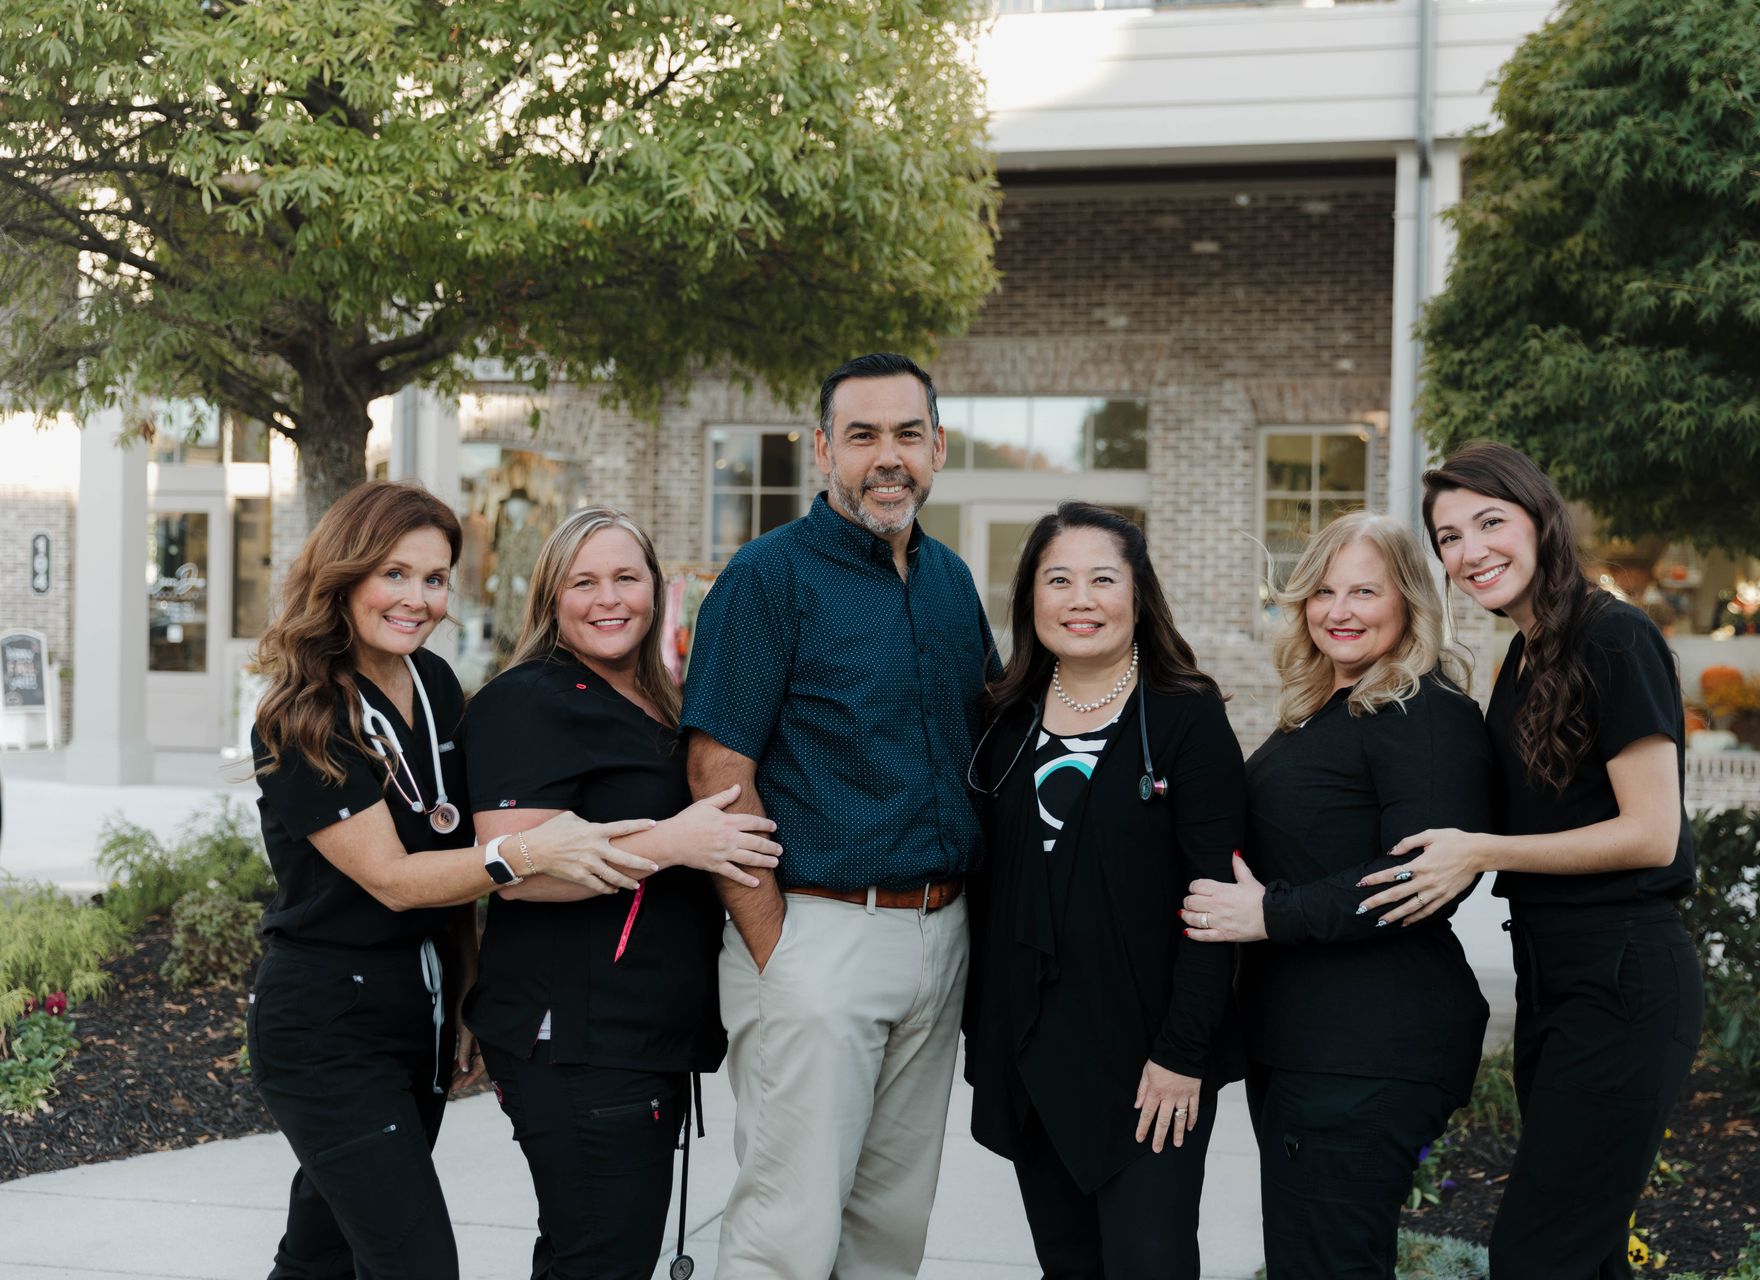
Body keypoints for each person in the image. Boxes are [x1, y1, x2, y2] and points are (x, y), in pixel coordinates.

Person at [247, 482, 661, 1280]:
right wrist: (530, 854)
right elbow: (397, 879)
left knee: (322, 1256)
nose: (418, 599)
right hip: (326, 1026)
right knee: (416, 1265)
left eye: (435, 579)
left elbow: (449, 863)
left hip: (417, 1016)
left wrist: (467, 996)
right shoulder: (300, 715)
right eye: (394, 575)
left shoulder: (433, 684)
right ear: (345, 577)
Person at [680, 352, 998, 1279]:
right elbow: (717, 769)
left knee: (888, 1232)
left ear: (937, 448)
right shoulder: (768, 577)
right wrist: (779, 946)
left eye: (907, 434)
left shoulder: (947, 582)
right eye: (862, 436)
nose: (886, 456)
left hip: (940, 937)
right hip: (817, 935)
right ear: (824, 451)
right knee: (787, 1234)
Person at [1358, 442, 1704, 1279]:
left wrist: (1481, 849)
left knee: (1538, 1254)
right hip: (1555, 972)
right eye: (1448, 537)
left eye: (1489, 522)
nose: (1470, 551)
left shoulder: (1613, 637)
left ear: (1540, 520)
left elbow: (1652, 832)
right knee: (1581, 1257)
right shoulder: (1522, 658)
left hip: (1623, 975)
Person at [459, 507, 782, 1279]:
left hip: (637, 1041)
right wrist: (675, 843)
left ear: (655, 589)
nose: (609, 598)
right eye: (585, 581)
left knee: (589, 1253)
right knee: (603, 1257)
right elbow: (516, 872)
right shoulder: (528, 699)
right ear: (552, 597)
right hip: (575, 1039)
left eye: (626, 578)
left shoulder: (657, 701)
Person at [1179, 512, 1492, 1278]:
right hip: (1310, 1046)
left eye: (1364, 591)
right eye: (1323, 590)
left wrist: (1268, 913)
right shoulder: (1331, 709)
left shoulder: (1424, 715)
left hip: (1366, 1054)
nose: (1339, 610)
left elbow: (1422, 880)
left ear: (1410, 601)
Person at [966, 501, 1245, 1280]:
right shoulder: (1000, 718)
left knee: (1147, 1261)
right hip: (1034, 1054)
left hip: (1150, 1064)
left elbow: (1213, 897)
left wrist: (1183, 1053)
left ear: (1138, 594)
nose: (1079, 599)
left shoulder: (1186, 717)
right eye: (1058, 579)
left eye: (1101, 579)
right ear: (1030, 598)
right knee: (1068, 1264)